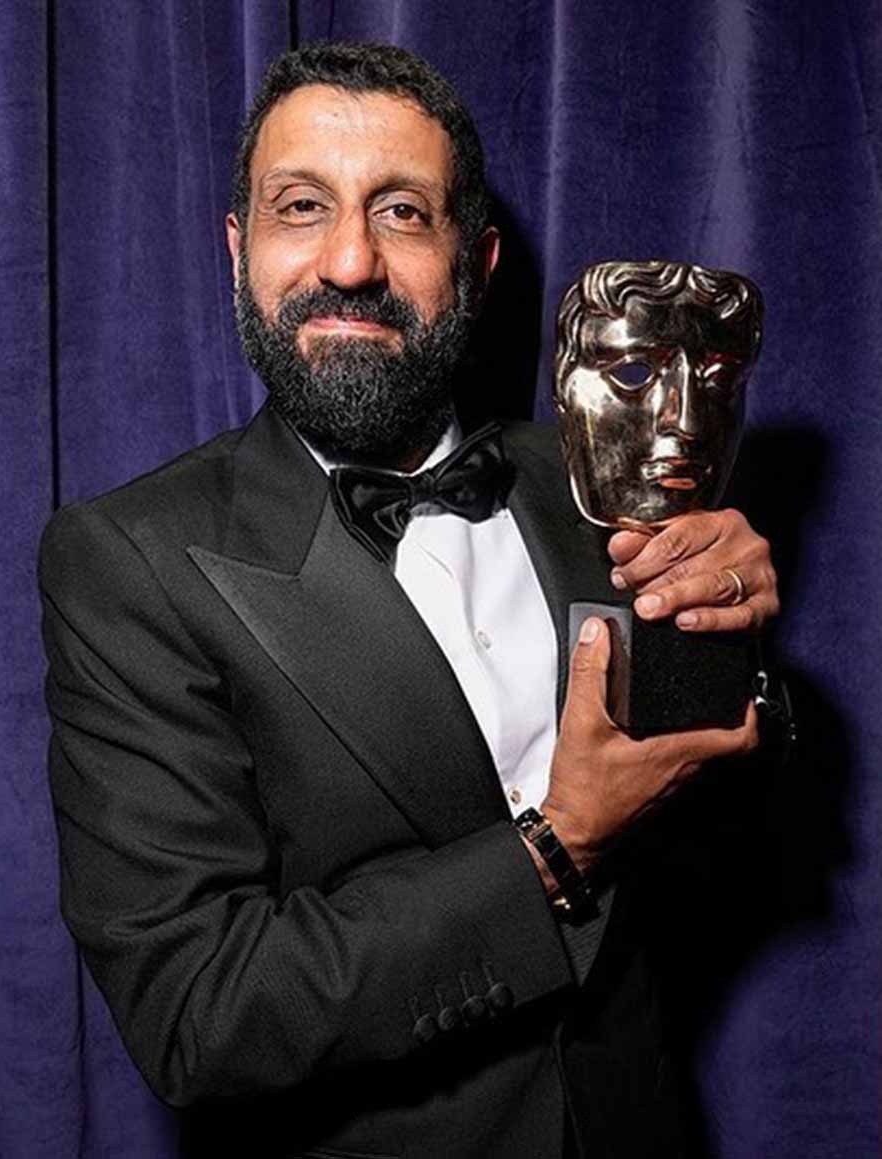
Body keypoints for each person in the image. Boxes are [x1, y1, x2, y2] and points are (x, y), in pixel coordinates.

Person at [40, 41, 779, 1159]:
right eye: (301, 207)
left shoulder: (595, 479)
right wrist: (557, 848)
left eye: (402, 212)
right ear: (239, 249)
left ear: (474, 262)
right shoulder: (127, 561)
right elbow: (200, 1013)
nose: (349, 261)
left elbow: (719, 834)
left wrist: (734, 641)